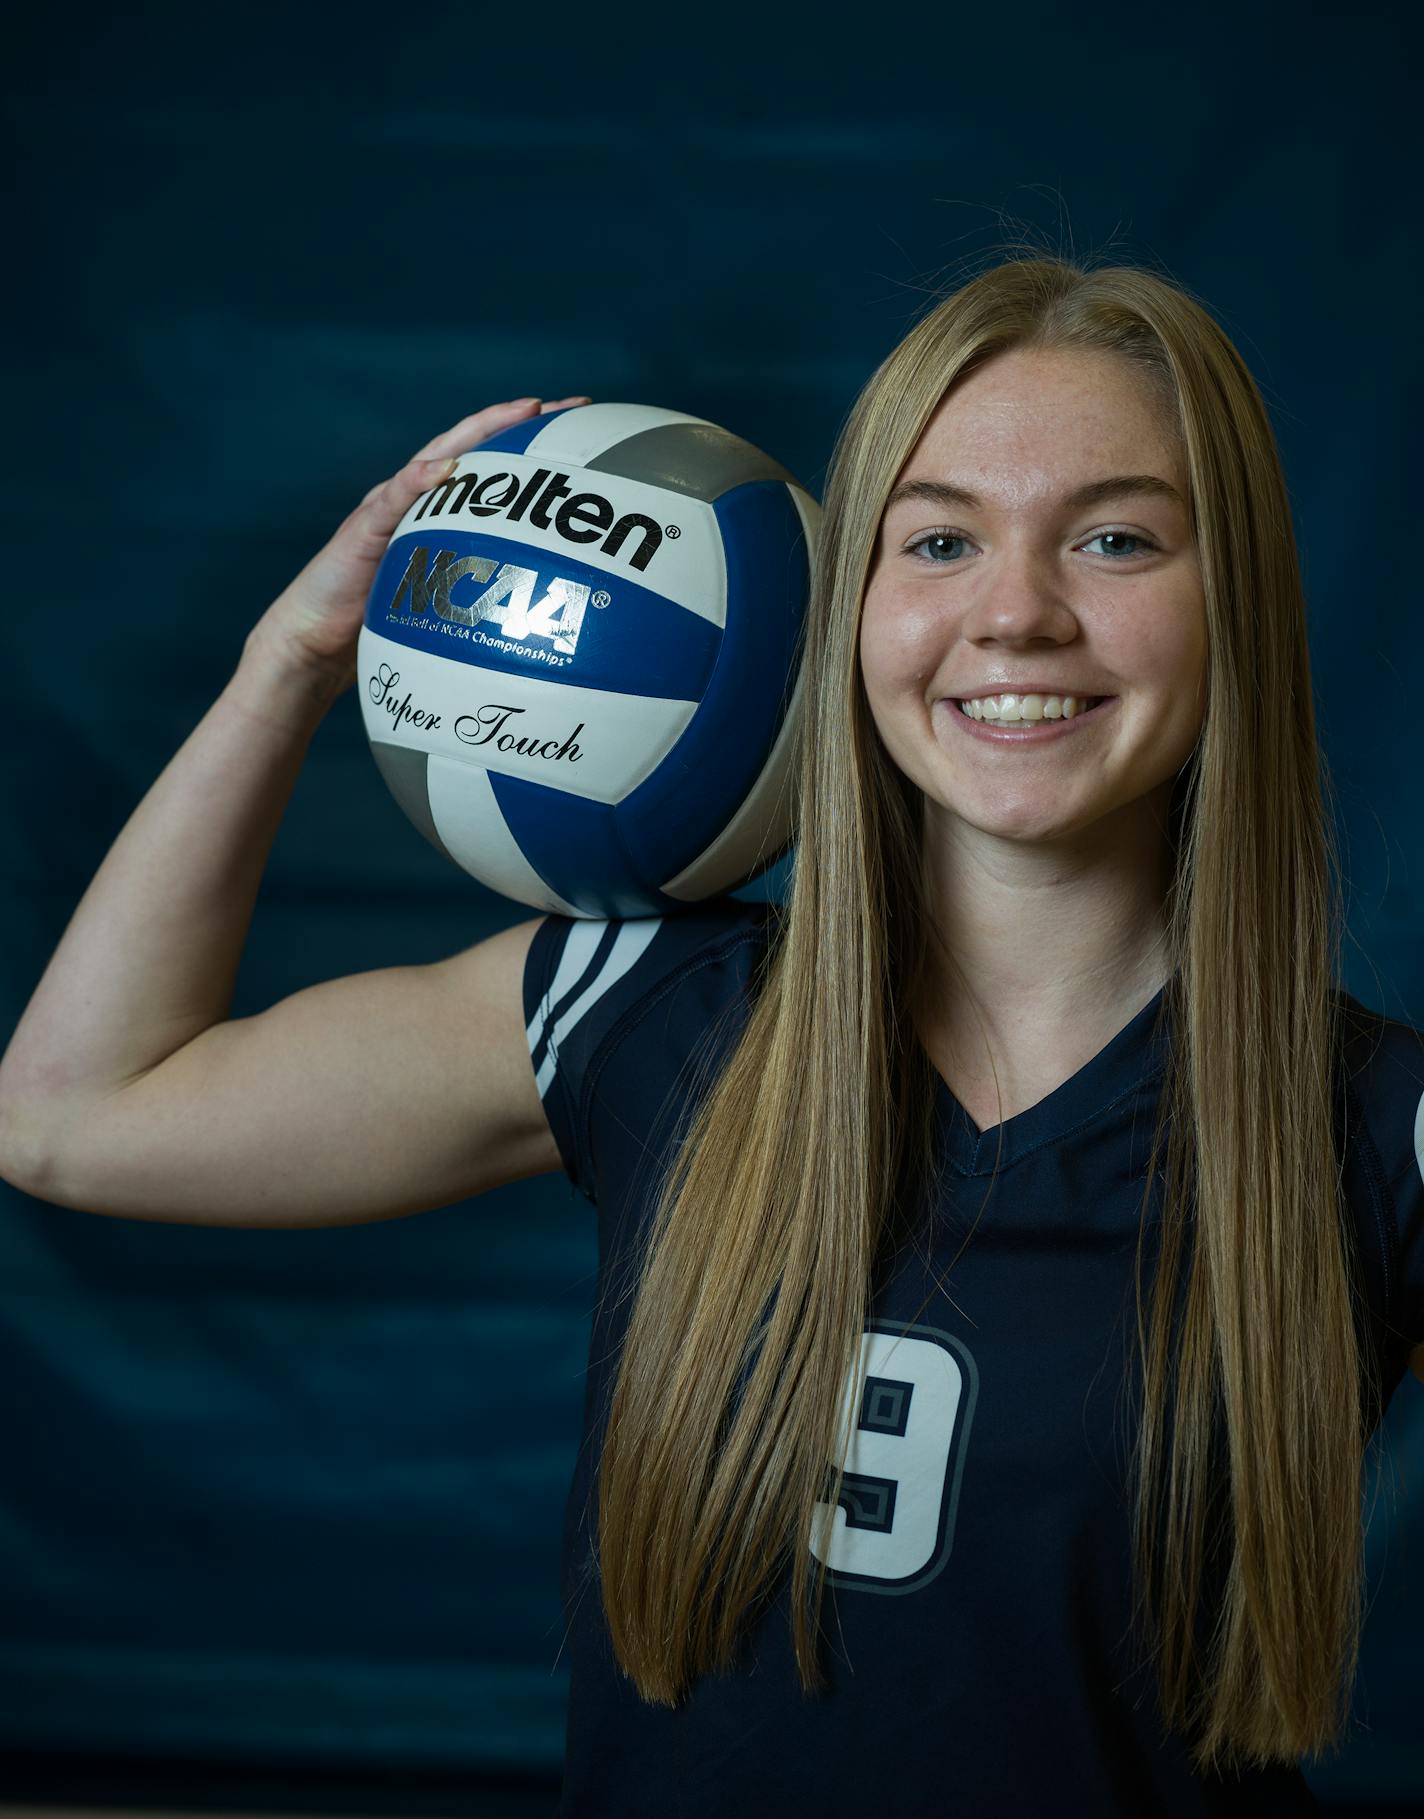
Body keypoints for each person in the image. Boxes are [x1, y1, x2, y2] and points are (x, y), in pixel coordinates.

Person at [1, 255, 1421, 1818]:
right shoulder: (642, 1005)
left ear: (1243, 598)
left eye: (1115, 538)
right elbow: (75, 1112)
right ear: (847, 610)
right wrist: (294, 660)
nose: (1017, 612)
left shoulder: (1375, 1128)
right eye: (939, 539)